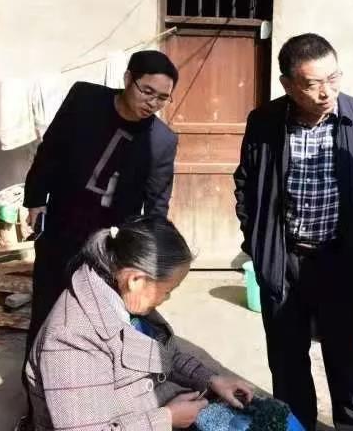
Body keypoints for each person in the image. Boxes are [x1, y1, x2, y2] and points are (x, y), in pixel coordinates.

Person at [233, 33, 353, 430]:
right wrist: (257, 243)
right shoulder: (264, 121)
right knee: (287, 359)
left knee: (345, 356)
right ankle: (298, 423)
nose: (326, 92)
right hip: (284, 261)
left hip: (339, 260)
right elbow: (245, 183)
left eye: (333, 78)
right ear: (288, 85)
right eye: (313, 84)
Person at [25, 216, 254, 430]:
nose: (167, 298)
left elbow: (165, 355)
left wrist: (211, 380)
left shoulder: (122, 293)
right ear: (136, 280)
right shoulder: (71, 338)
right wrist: (167, 418)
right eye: (167, 290)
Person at [23, 50, 180, 352]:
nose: (152, 103)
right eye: (147, 91)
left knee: (95, 318)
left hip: (110, 242)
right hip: (61, 222)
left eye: (162, 98)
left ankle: (81, 377)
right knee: (46, 307)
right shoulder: (85, 100)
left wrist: (148, 254)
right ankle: (36, 379)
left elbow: (157, 202)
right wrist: (36, 199)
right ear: (128, 79)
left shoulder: (162, 141)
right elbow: (51, 149)